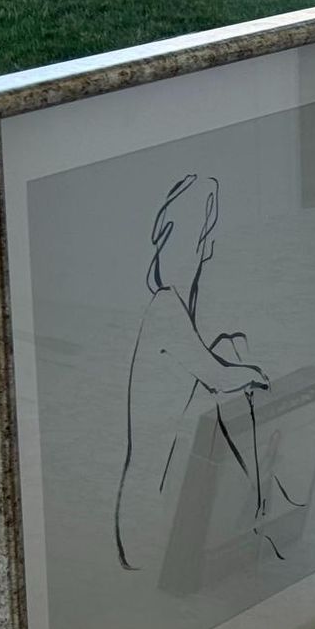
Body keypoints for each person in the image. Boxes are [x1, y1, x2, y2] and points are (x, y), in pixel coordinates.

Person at [114, 173, 278, 577]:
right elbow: (217, 377)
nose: (212, 247)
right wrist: (254, 372)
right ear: (193, 242)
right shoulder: (166, 310)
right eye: (207, 235)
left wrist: (239, 359)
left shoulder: (173, 309)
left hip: (162, 486)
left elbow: (211, 364)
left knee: (232, 348)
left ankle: (259, 505)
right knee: (237, 370)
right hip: (146, 514)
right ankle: (258, 509)